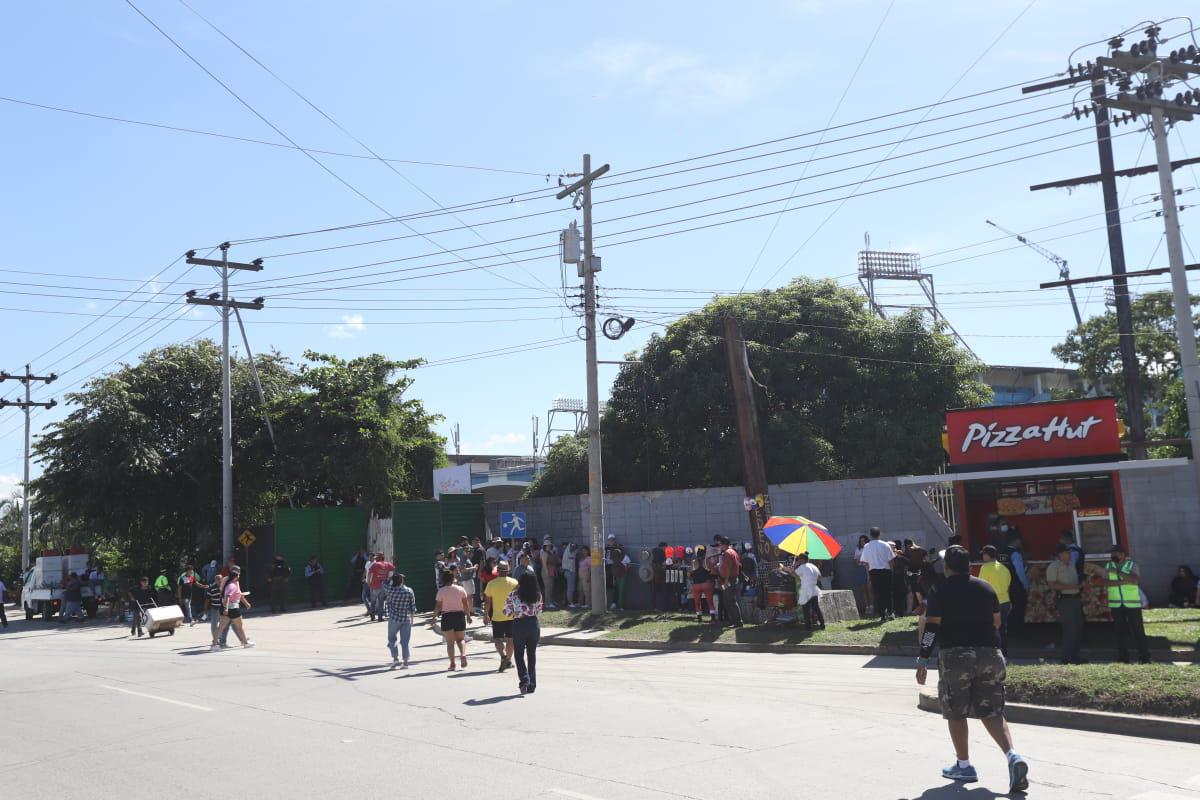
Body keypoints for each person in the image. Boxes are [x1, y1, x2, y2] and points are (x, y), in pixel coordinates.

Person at [917, 545, 1029, 793]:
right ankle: (1013, 756)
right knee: (992, 710)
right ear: (970, 565)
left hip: (956, 656)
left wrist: (923, 658)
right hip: (990, 654)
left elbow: (932, 627)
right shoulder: (985, 587)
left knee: (956, 712)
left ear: (947, 567)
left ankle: (964, 765)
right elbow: (997, 622)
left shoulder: (939, 589)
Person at [1105, 546, 1151, 664]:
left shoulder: (1131, 565)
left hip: (1132, 604)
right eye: (1112, 554)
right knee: (1119, 632)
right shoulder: (1109, 566)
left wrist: (1118, 573)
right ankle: (1123, 658)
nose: (1113, 556)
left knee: (1138, 631)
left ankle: (1144, 657)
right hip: (1116, 604)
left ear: (1122, 554)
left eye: (1115, 553)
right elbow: (1106, 582)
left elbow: (1134, 580)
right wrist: (1123, 581)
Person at [504, 571, 544, 695]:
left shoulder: (513, 595)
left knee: (519, 654)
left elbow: (506, 612)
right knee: (531, 655)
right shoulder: (537, 595)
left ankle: (524, 679)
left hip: (519, 625)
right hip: (533, 625)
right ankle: (532, 684)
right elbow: (539, 611)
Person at [1046, 544, 1085, 664]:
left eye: (1070, 553)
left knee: (1078, 627)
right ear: (1060, 555)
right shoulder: (1054, 566)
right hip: (1065, 599)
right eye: (1067, 553)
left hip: (1076, 598)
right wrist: (1071, 586)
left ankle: (1076, 656)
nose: (1069, 555)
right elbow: (1052, 585)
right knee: (1070, 629)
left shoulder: (1072, 564)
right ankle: (1067, 657)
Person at [432, 570, 471, 671]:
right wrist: (468, 616)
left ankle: (452, 664)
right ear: (453, 578)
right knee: (461, 639)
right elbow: (466, 604)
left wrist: (434, 617)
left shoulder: (441, 591)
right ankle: (463, 654)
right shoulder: (460, 589)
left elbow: (438, 606)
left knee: (450, 643)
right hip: (459, 615)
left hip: (447, 616)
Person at [484, 560, 519, 672]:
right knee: (510, 639)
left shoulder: (491, 584)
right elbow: (518, 600)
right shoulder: (515, 583)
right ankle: (508, 660)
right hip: (512, 616)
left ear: (497, 571)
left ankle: (503, 657)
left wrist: (485, 615)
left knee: (497, 639)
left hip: (497, 617)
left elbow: (488, 603)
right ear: (508, 571)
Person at [977, 546, 1012, 658]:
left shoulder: (985, 568)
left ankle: (993, 654)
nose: (982, 556)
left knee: (991, 629)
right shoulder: (1004, 568)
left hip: (992, 603)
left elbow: (981, 586)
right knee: (1002, 630)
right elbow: (1008, 586)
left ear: (987, 555)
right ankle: (1004, 654)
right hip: (1005, 602)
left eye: (983, 554)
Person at [213, 566, 254, 649]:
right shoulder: (230, 583)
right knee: (238, 626)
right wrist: (227, 607)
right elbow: (228, 595)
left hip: (226, 606)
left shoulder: (233, 582)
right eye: (238, 573)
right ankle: (243, 642)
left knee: (222, 627)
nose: (239, 574)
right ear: (234, 574)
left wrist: (245, 603)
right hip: (232, 607)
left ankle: (214, 645)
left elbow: (237, 593)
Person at [860, 527, 895, 622]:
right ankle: (891, 612)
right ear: (879, 534)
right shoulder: (886, 545)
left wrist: (868, 575)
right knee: (887, 593)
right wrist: (892, 571)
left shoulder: (867, 546)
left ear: (870, 535)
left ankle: (882, 615)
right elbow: (891, 560)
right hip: (886, 571)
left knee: (878, 594)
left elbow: (866, 563)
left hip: (874, 572)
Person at [383, 572, 416, 668]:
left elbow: (383, 583)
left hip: (394, 618)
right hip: (406, 618)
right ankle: (405, 662)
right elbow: (412, 606)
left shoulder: (391, 590)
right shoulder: (409, 591)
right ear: (402, 581)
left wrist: (389, 578)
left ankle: (395, 658)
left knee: (392, 639)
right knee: (405, 642)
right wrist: (412, 619)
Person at [785, 553, 825, 631]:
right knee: (816, 608)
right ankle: (822, 624)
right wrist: (811, 579)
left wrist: (791, 569)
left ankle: (808, 628)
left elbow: (794, 575)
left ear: (802, 560)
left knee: (806, 609)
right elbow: (820, 577)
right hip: (814, 589)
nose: (799, 561)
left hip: (806, 590)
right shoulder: (814, 566)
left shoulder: (802, 567)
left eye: (799, 560)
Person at [1003, 535, 1029, 638]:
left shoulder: (1000, 552)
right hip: (1016, 586)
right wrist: (1025, 585)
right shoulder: (1015, 553)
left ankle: (1009, 633)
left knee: (1008, 611)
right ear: (1017, 540)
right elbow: (1020, 572)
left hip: (1004, 586)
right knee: (1018, 610)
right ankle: (1018, 634)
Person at [716, 536, 744, 628]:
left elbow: (728, 568)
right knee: (728, 600)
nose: (719, 546)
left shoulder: (727, 553)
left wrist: (726, 581)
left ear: (723, 544)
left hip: (729, 580)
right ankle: (734, 621)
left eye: (720, 544)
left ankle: (737, 622)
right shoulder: (733, 552)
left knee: (730, 601)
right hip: (730, 579)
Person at [690, 546, 717, 623]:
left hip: (696, 585)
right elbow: (713, 572)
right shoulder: (707, 561)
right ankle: (713, 618)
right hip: (706, 583)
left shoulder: (693, 562)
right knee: (710, 601)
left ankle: (699, 618)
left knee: (697, 602)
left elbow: (689, 574)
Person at [366, 553, 394, 622]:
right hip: (383, 586)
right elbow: (393, 569)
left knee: (373, 602)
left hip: (374, 586)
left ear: (378, 558)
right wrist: (389, 578)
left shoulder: (375, 565)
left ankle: (372, 617)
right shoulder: (388, 564)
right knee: (381, 602)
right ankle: (380, 618)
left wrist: (368, 582)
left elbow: (369, 572)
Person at [206, 574, 230, 648]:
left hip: (222, 607)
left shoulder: (224, 586)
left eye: (221, 579)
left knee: (224, 624)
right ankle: (215, 640)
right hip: (215, 608)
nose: (220, 581)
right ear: (215, 580)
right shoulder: (211, 587)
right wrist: (205, 610)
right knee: (214, 625)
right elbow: (207, 599)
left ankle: (222, 640)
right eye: (218, 580)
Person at [853, 534, 871, 614]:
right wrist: (860, 562)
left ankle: (872, 605)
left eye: (863, 541)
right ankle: (867, 606)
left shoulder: (869, 548)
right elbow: (856, 559)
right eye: (861, 541)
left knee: (869, 588)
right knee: (863, 589)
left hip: (869, 568)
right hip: (861, 568)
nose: (862, 542)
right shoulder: (858, 548)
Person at [561, 542, 578, 607]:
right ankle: (570, 603)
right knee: (570, 588)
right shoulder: (567, 553)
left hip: (570, 572)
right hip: (569, 572)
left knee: (571, 588)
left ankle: (571, 602)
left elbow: (576, 549)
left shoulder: (572, 553)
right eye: (572, 546)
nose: (574, 548)